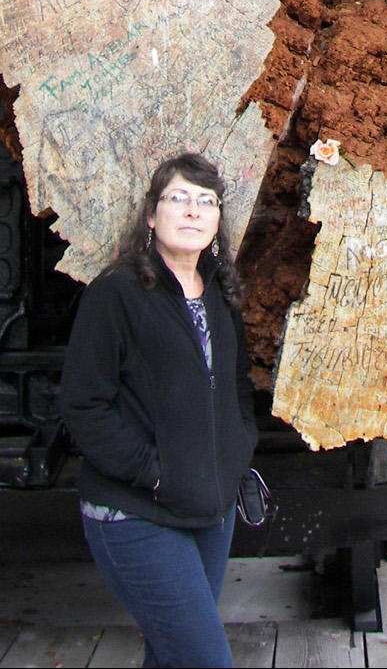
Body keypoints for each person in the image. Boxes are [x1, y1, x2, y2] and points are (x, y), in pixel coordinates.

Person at [60, 152, 257, 668]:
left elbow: (237, 385)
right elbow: (84, 406)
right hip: (137, 511)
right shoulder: (116, 294)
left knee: (173, 658)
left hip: (209, 511)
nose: (193, 211)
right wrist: (155, 472)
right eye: (179, 198)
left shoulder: (221, 294)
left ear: (218, 219)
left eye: (206, 201)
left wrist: (236, 453)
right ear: (151, 215)